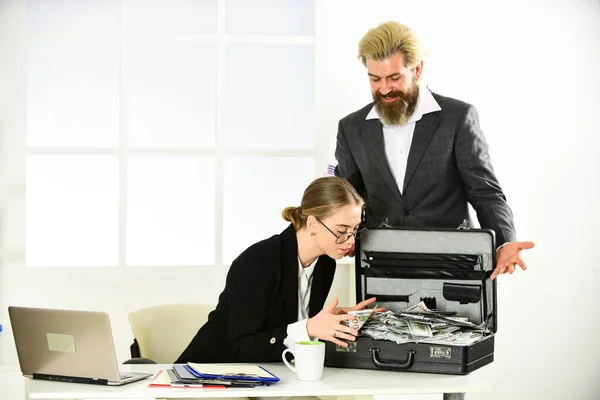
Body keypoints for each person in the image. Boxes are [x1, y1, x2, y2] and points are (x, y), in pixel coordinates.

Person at [334, 21, 533, 280]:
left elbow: (484, 191)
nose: (384, 88)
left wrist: (504, 242)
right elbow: (347, 196)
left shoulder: (457, 117)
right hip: (382, 268)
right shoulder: (351, 127)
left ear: (417, 69)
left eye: (394, 78)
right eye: (375, 79)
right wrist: (341, 233)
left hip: (454, 267)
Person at [176, 176, 381, 364]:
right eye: (341, 231)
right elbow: (242, 346)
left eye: (354, 230)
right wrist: (309, 327)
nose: (350, 241)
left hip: (271, 373)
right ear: (312, 223)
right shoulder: (258, 260)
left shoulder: (326, 264)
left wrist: (331, 321)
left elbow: (289, 329)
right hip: (207, 372)